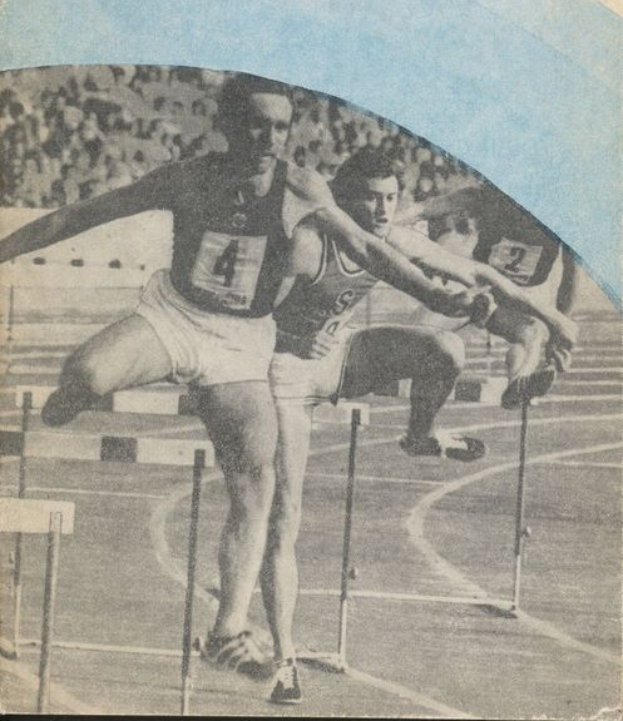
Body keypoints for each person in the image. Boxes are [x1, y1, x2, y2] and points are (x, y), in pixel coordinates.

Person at [0, 74, 491, 681]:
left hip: (241, 343)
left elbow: (371, 249)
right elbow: (82, 214)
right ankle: (72, 395)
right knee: (88, 374)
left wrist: (436, 297)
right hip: (175, 316)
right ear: (227, 127)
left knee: (257, 483)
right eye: (256, 124)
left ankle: (227, 630)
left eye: (280, 127)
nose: (268, 137)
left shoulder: (302, 188)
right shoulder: (187, 177)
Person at [259, 148, 577, 703]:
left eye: (390, 200)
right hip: (284, 371)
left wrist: (553, 319)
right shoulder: (309, 239)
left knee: (444, 349)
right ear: (343, 195)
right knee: (285, 516)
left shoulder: (394, 237)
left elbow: (477, 271)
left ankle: (419, 434)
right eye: (370, 199)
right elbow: (250, 309)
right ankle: (284, 660)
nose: (382, 211)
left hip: (339, 358)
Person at [419, 184, 578, 415]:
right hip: (475, 290)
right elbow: (427, 207)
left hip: (516, 303)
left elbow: (571, 278)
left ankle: (518, 382)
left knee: (532, 334)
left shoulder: (564, 216)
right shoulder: (492, 194)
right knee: (419, 330)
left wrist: (559, 332)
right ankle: (400, 351)